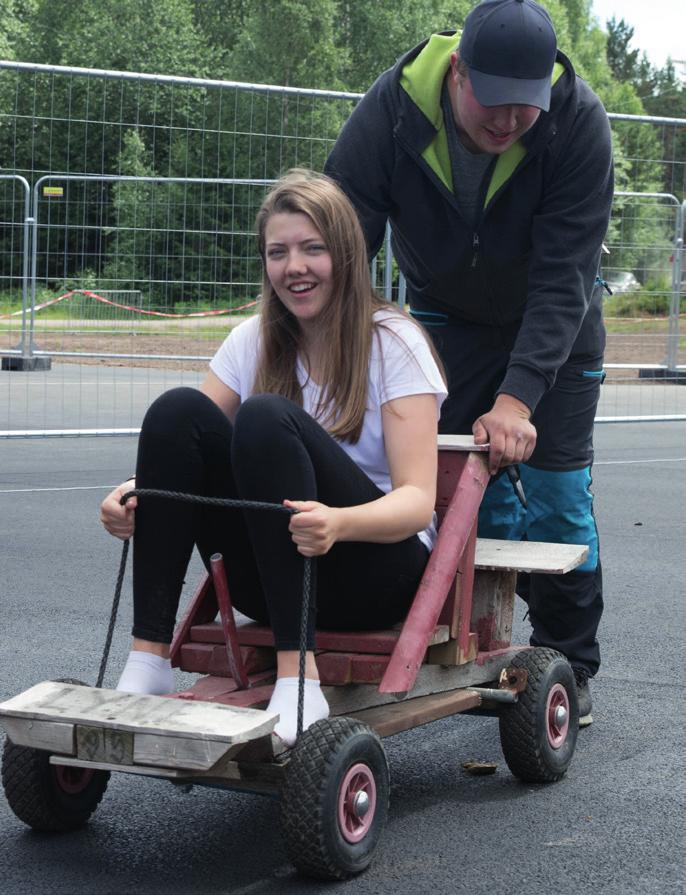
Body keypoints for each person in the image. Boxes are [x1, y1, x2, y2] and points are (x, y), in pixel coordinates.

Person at [325, 0, 614, 725]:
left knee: (556, 497)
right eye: (494, 101)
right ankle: (476, 642)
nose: (511, 121)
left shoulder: (576, 124)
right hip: (448, 323)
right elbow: (340, 237)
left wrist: (517, 400)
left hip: (558, 330)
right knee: (452, 489)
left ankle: (568, 665)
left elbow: (563, 279)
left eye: (527, 105)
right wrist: (325, 359)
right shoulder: (392, 112)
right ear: (458, 72)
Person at [101, 170, 447, 747]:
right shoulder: (252, 339)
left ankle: (299, 677)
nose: (295, 267)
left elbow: (416, 504)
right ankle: (148, 661)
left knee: (264, 416)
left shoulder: (394, 342)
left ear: (346, 255)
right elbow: (183, 445)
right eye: (279, 252)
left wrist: (338, 524)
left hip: (375, 574)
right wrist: (135, 492)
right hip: (271, 579)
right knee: (175, 411)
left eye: (313, 249)